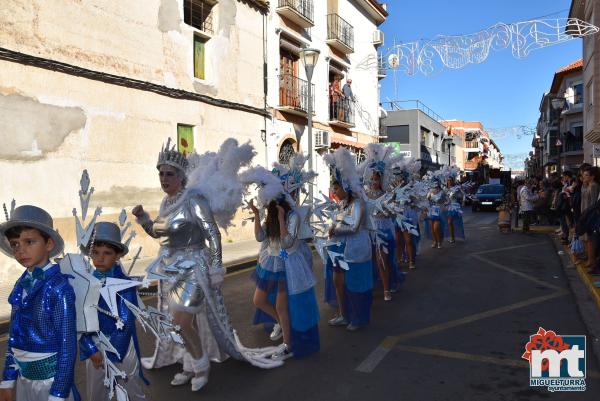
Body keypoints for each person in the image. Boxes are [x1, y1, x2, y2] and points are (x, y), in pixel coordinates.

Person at [133, 138, 281, 392]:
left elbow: (212, 234)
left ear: (181, 177)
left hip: (195, 267)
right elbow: (160, 234)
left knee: (181, 321)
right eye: (161, 174)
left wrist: (215, 268)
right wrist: (144, 218)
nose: (164, 178)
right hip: (172, 269)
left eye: (169, 174)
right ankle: (190, 364)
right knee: (176, 322)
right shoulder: (166, 204)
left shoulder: (194, 200)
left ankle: (202, 367)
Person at [0, 205, 79, 401]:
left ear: (49, 244)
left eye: (29, 241)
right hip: (24, 380)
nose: (21, 250)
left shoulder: (59, 289)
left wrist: (58, 393)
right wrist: (7, 380)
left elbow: (67, 347)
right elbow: (14, 336)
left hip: (50, 384)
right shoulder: (21, 284)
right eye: (15, 244)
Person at [79, 222, 147, 401]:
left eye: (107, 253)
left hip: (121, 347)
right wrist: (91, 348)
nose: (100, 258)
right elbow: (80, 319)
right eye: (95, 252)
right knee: (97, 390)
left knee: (130, 386)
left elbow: (125, 321)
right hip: (95, 348)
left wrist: (109, 353)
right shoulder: (85, 283)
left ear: (117, 256)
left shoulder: (124, 285)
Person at [323, 148, 373, 331]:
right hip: (339, 250)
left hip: (355, 250)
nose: (333, 191)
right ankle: (344, 314)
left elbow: (354, 227)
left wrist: (336, 229)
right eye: (333, 187)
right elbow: (338, 222)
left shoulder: (358, 203)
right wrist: (332, 228)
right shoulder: (343, 204)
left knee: (354, 285)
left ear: (345, 186)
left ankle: (357, 317)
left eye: (336, 188)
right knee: (338, 283)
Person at [580, 166, 600, 271]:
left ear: (592, 177)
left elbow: (593, 203)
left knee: (590, 239)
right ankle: (589, 259)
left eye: (586, 175)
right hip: (585, 213)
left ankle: (591, 260)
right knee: (586, 238)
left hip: (590, 215)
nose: (584, 177)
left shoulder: (594, 186)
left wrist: (589, 216)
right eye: (584, 175)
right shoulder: (588, 185)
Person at [425, 180, 446, 248]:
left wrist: (441, 202)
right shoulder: (430, 192)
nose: (435, 186)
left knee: (436, 228)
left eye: (436, 184)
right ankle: (435, 241)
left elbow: (447, 200)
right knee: (432, 228)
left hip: (438, 211)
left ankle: (439, 241)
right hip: (431, 211)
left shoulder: (442, 192)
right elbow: (426, 200)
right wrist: (428, 198)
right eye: (433, 184)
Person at [445, 176, 465, 243]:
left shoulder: (456, 188)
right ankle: (452, 237)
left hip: (454, 206)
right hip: (447, 207)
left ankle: (452, 237)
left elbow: (463, 194)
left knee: (450, 222)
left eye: (450, 180)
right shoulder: (445, 189)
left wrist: (463, 202)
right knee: (449, 223)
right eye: (448, 180)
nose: (449, 182)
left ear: (452, 181)